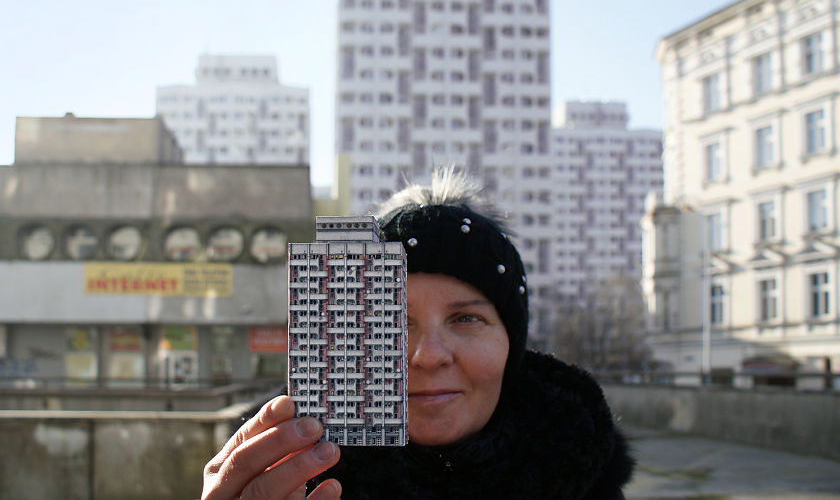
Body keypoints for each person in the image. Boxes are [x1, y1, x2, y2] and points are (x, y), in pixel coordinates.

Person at [202, 169, 634, 499]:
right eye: (394, 323)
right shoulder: (283, 473)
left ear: (511, 344)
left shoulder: (581, 465)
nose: (428, 356)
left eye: (466, 319)